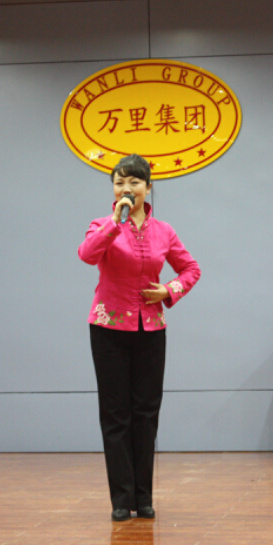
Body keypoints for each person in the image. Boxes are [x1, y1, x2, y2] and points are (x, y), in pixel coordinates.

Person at [78, 154, 201, 522]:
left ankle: (144, 497)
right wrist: (114, 223)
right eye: (119, 183)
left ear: (148, 187)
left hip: (151, 330)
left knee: (146, 413)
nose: (125, 189)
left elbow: (191, 268)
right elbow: (87, 255)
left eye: (133, 182)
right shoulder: (101, 225)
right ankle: (121, 499)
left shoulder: (164, 231)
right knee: (115, 413)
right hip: (108, 329)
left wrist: (168, 290)